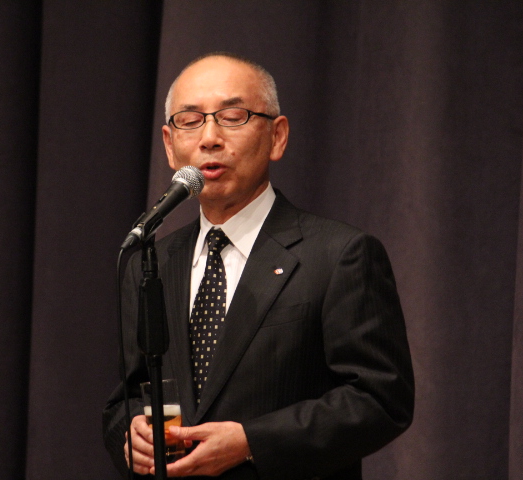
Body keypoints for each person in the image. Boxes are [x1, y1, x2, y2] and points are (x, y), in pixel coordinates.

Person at [103, 52, 414, 480]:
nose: (209, 138)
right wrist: (130, 432)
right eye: (190, 121)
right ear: (170, 146)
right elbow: (126, 397)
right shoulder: (149, 263)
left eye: (233, 117)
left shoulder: (339, 255)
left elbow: (381, 399)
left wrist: (253, 442)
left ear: (277, 136)